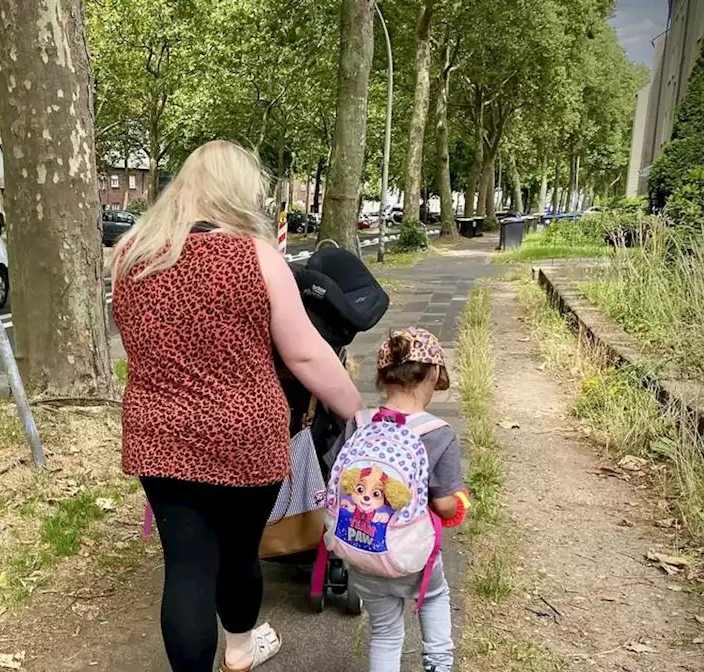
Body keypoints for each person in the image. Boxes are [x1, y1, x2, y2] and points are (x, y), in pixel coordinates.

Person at [111, 140, 365, 672]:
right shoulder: (256, 257)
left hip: (157, 433)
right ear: (240, 191)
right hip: (245, 434)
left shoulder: (130, 255)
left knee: (187, 565)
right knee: (240, 552)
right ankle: (242, 650)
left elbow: (136, 338)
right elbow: (304, 354)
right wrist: (355, 409)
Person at [341, 327, 469, 672]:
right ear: (435, 373)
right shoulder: (438, 433)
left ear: (382, 377)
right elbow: (444, 505)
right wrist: (460, 506)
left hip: (363, 549)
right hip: (411, 556)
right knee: (435, 596)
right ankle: (438, 666)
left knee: (384, 632)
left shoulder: (359, 423)